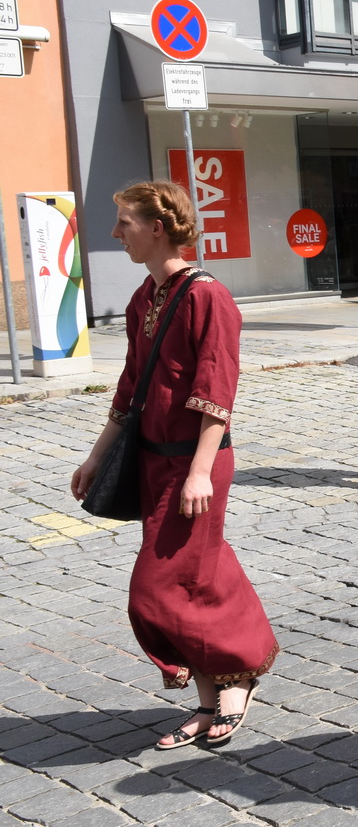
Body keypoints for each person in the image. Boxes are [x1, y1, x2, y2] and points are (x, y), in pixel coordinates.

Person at [71, 181, 276, 749]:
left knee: (157, 587)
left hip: (196, 465)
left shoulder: (208, 296)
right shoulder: (145, 296)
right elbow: (131, 386)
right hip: (151, 461)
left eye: (125, 223)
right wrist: (97, 455)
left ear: (157, 227)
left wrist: (199, 471)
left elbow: (217, 389)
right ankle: (214, 700)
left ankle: (240, 670)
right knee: (198, 573)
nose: (117, 234)